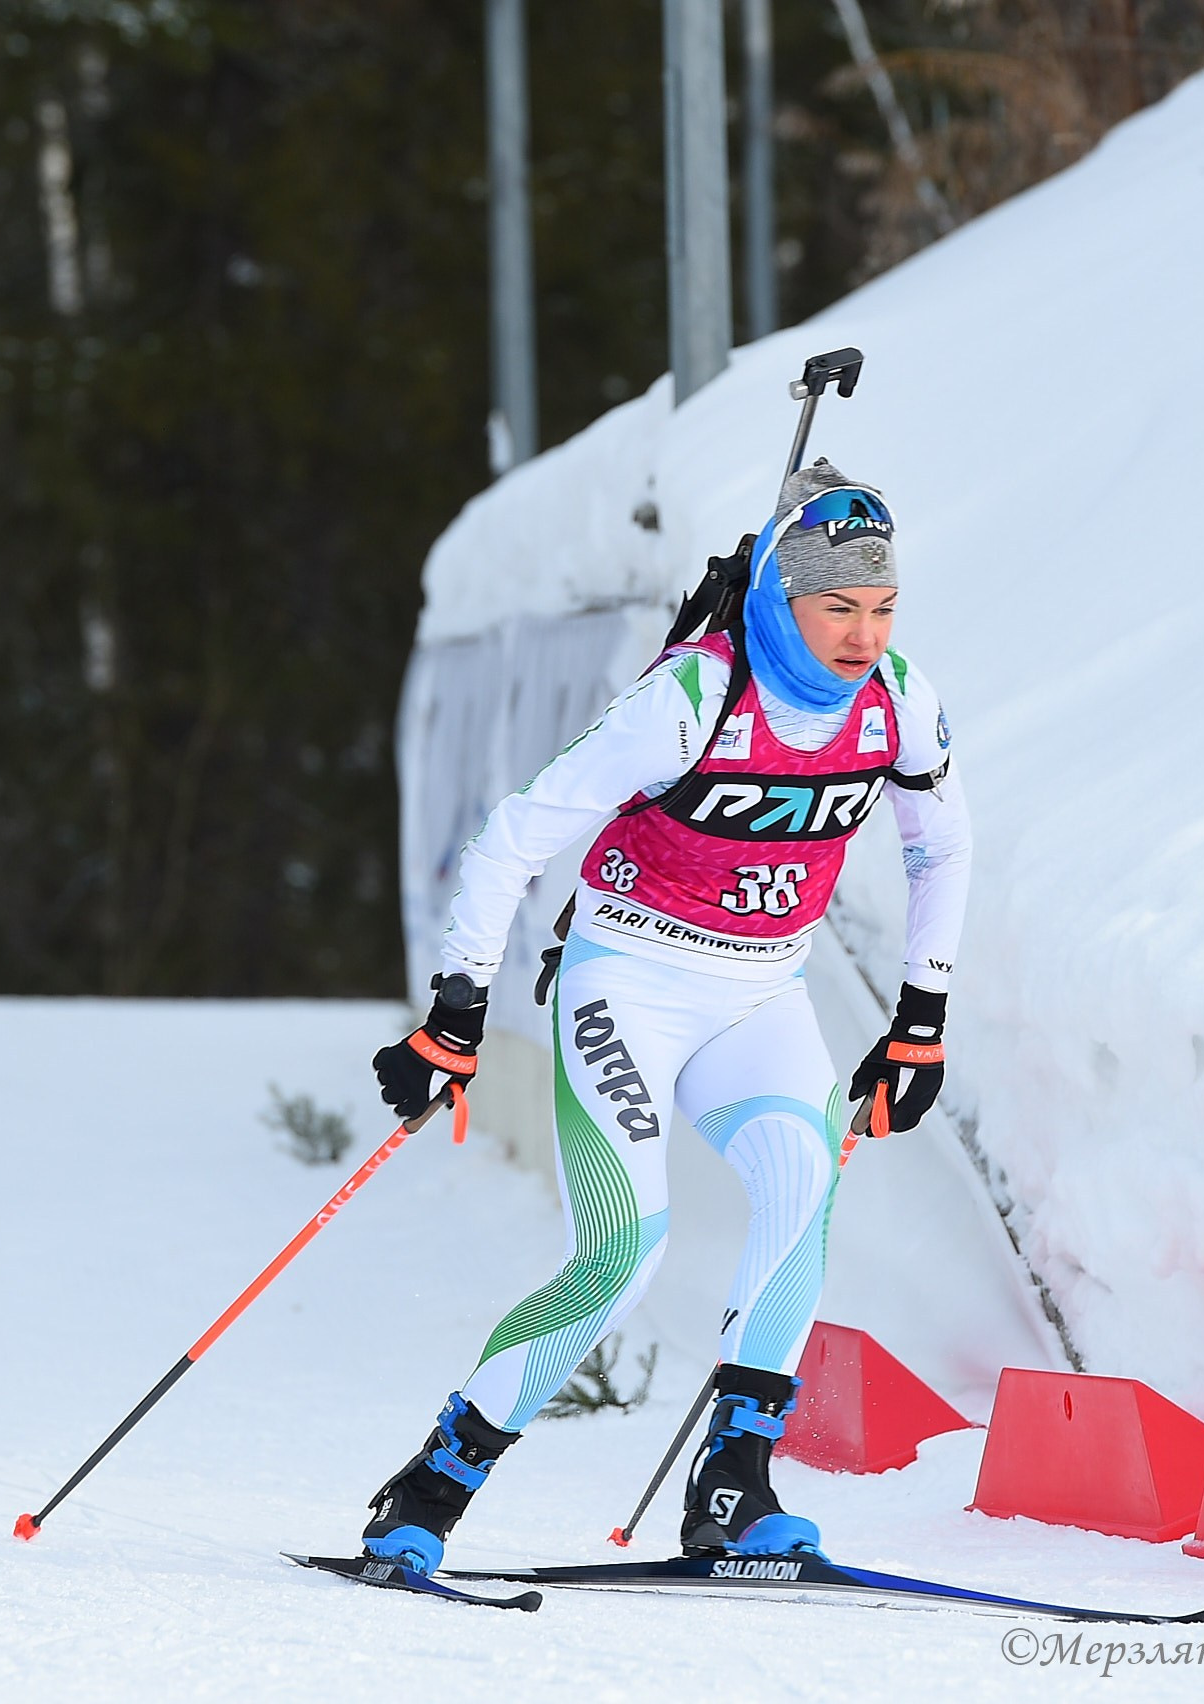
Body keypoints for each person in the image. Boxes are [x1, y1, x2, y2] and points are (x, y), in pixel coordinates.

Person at [360, 458, 971, 1573]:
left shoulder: (899, 701)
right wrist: (455, 1012)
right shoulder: (690, 699)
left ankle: (733, 1487)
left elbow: (941, 843)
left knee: (802, 1190)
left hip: (759, 994)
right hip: (629, 986)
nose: (862, 636)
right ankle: (434, 1484)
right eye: (836, 606)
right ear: (781, 600)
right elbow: (512, 839)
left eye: (881, 609)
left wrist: (920, 1011)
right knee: (623, 1250)